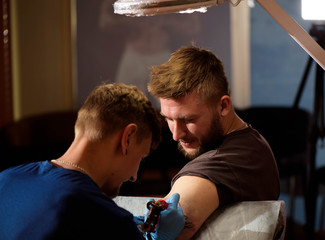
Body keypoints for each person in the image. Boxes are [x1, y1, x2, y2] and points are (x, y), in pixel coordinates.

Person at [0, 83, 184, 240]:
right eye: (141, 157)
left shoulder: (6, 179)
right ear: (127, 138)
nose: (134, 176)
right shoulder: (104, 217)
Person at [148, 46, 280, 239]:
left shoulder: (227, 162)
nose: (176, 135)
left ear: (223, 105)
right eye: (168, 119)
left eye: (188, 120)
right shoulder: (251, 142)